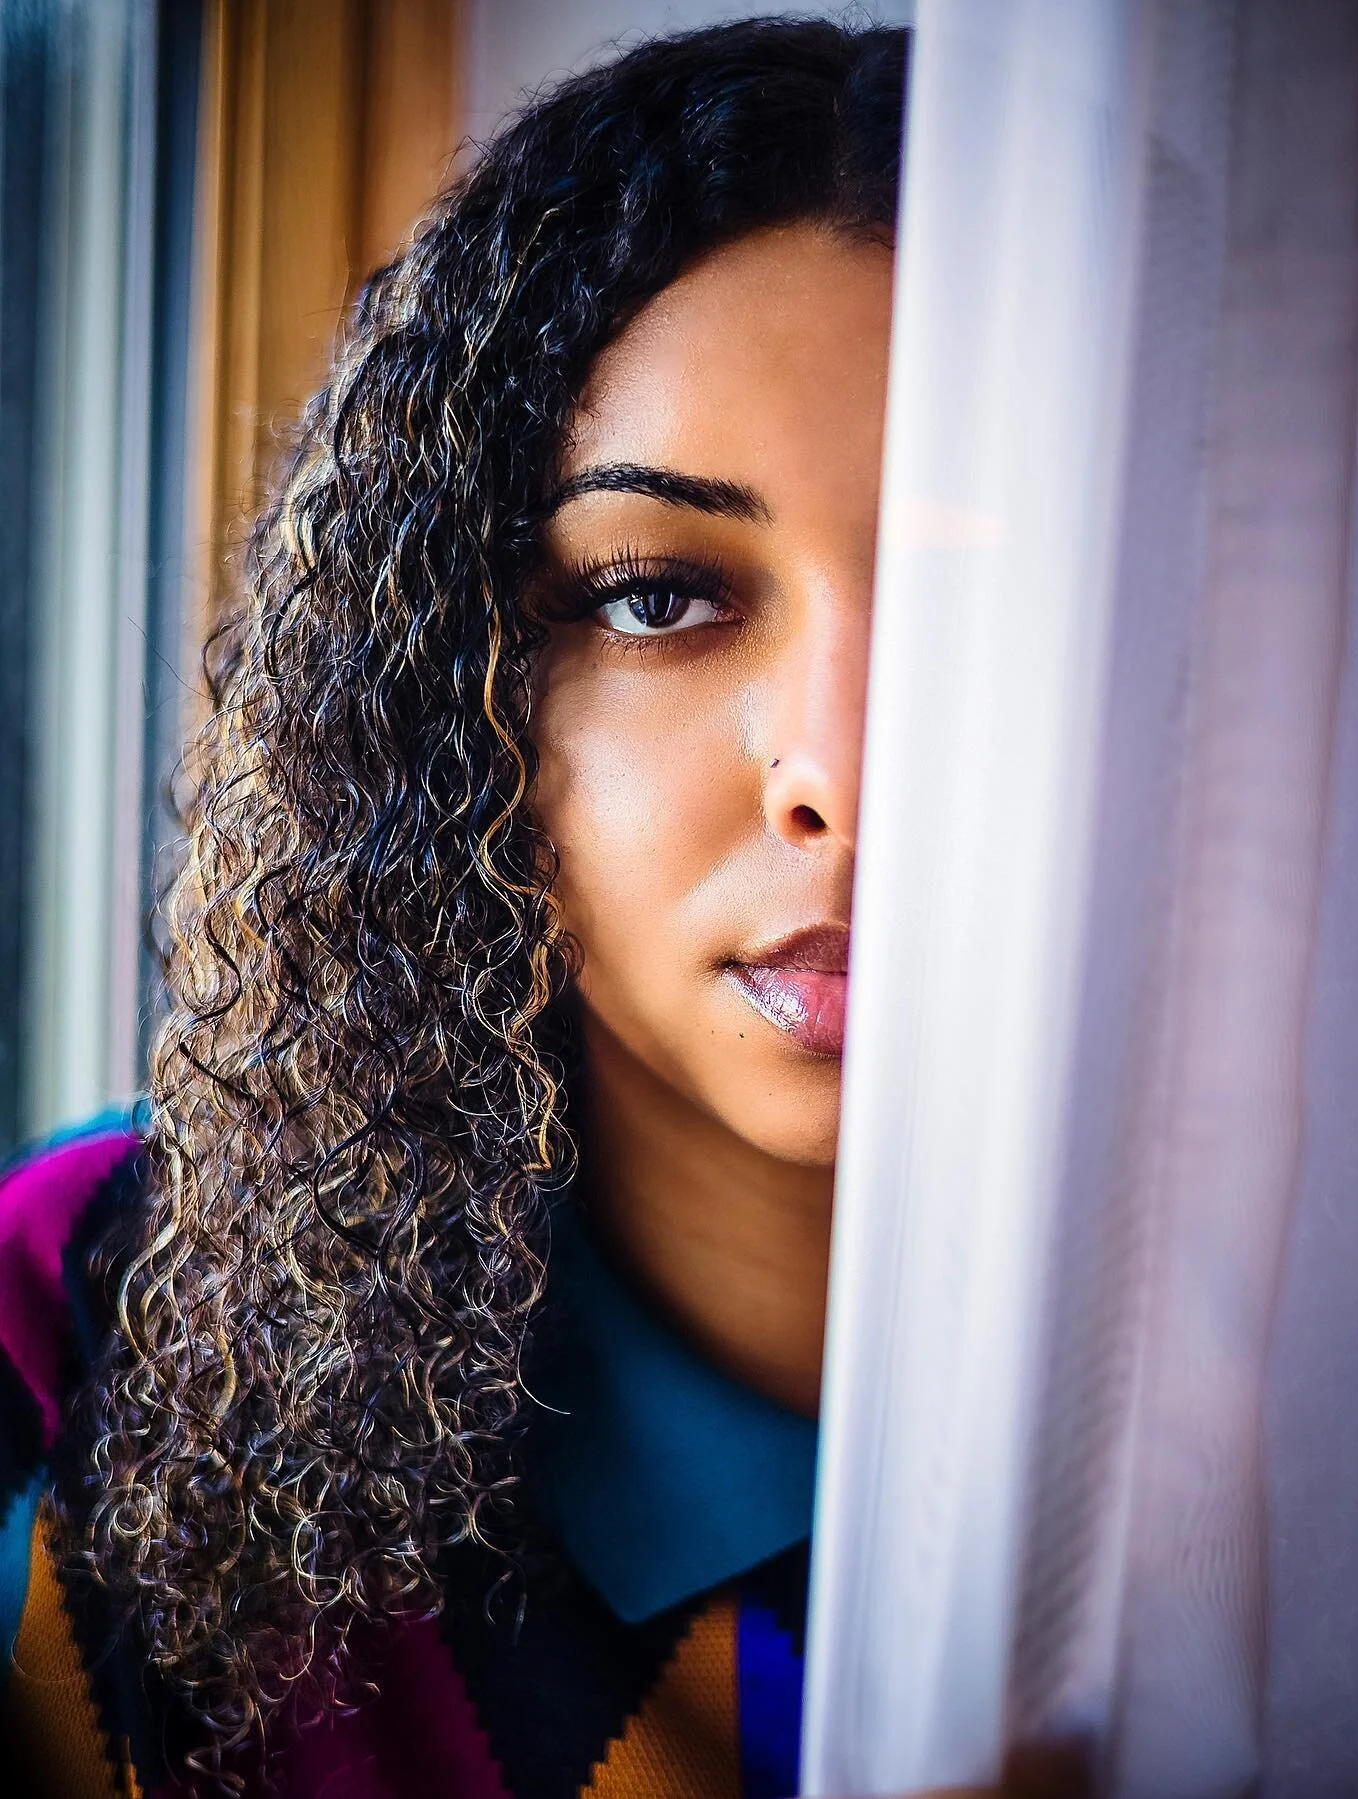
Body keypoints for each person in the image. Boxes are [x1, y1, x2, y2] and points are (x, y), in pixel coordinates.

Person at [0, 18, 980, 1798]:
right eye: (663, 595)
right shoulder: (67, 1340)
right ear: (453, 686)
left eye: (989, 593)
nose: (849, 769)